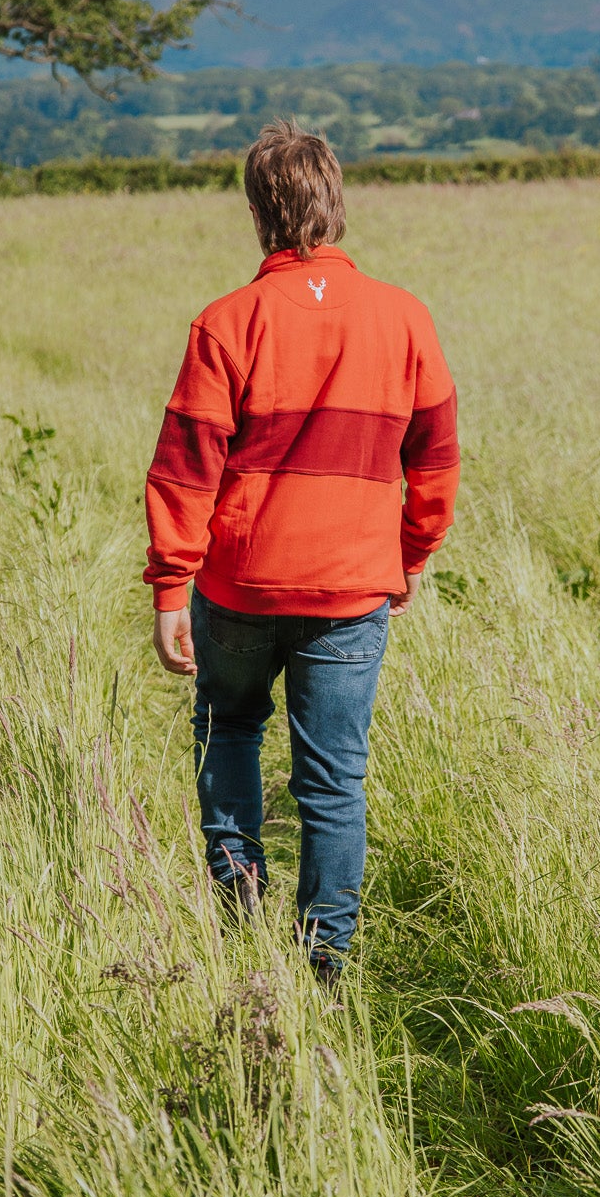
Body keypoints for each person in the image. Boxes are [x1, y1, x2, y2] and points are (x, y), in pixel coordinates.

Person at [143, 121, 460, 982]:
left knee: (229, 728)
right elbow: (434, 461)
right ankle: (323, 965)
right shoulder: (405, 317)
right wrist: (412, 557)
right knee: (331, 785)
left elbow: (185, 467)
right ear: (335, 201)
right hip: (355, 588)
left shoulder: (225, 322)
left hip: (239, 585)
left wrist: (172, 587)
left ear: (257, 211)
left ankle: (237, 908)